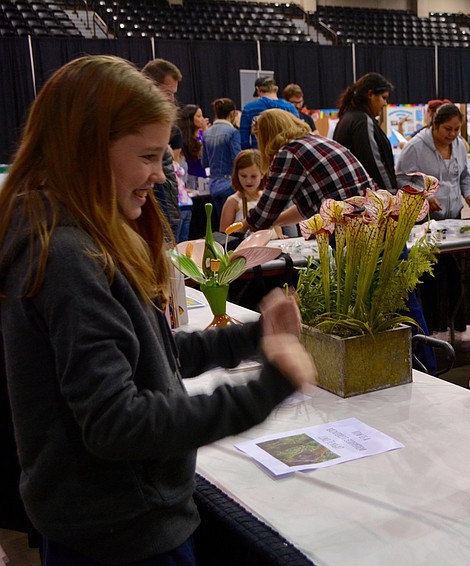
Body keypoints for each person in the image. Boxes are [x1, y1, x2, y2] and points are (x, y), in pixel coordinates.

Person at [0, 55, 316, 565]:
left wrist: (248, 338)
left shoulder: (71, 237)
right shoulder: (68, 257)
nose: (158, 178)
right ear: (86, 151)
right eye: (147, 157)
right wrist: (267, 389)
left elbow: (144, 352)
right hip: (123, 536)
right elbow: (116, 423)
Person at [234, 109, 372, 232]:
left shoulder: (289, 153)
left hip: (352, 226)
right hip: (369, 218)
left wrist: (243, 226)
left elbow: (263, 216)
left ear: (266, 136)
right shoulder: (317, 141)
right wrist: (272, 221)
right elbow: (307, 207)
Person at [396, 103, 470, 220]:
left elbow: (463, 175)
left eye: (457, 129)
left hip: (454, 217)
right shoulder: (415, 147)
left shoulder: (460, 146)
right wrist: (427, 197)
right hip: (424, 219)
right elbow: (401, 179)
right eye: (448, 129)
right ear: (435, 125)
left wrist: (469, 193)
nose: (453, 134)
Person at [334, 72, 398, 193]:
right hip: (368, 199)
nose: (385, 103)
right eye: (383, 98)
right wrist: (390, 194)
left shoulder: (347, 117)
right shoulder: (363, 121)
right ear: (370, 94)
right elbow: (374, 163)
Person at [142, 58, 183, 240]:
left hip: (166, 216)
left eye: (173, 94)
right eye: (167, 93)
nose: (171, 100)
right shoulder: (142, 128)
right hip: (156, 219)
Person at [202, 97, 242, 217]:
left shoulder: (206, 133)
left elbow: (204, 162)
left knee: (222, 222)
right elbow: (237, 159)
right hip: (230, 184)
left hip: (213, 184)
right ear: (231, 114)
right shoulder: (232, 132)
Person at [239, 76, 300, 150]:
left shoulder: (249, 109)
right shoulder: (291, 108)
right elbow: (298, 134)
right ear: (276, 89)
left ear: (258, 90)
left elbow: (243, 141)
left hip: (260, 156)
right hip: (286, 154)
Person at [219, 149, 264, 232]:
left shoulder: (266, 198)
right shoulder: (232, 202)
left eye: (253, 176)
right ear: (237, 175)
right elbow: (224, 236)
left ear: (262, 174)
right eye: (243, 176)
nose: (248, 181)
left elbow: (276, 227)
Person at [178, 104, 208, 191]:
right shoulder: (185, 138)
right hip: (192, 178)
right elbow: (200, 154)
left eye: (202, 116)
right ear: (190, 119)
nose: (202, 119)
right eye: (199, 116)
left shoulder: (203, 134)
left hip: (205, 177)